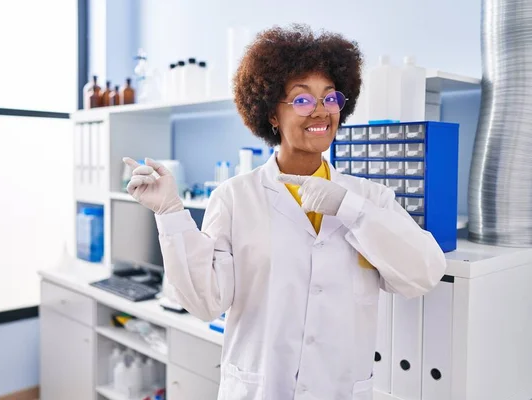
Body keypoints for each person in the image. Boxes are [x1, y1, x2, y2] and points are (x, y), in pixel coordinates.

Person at [123, 24, 446, 400]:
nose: (322, 112)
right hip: (261, 388)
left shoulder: (369, 197)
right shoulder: (235, 197)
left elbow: (424, 273)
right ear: (271, 114)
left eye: (331, 98)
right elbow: (205, 301)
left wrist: (351, 210)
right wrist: (169, 211)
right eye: (302, 100)